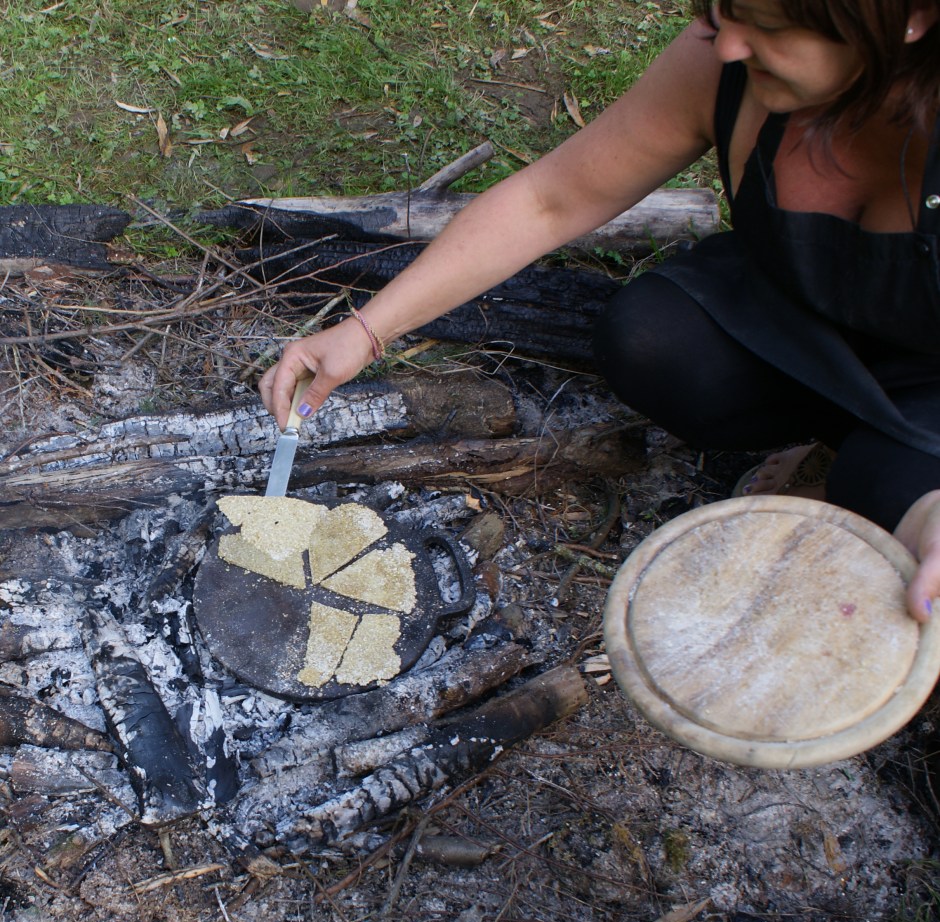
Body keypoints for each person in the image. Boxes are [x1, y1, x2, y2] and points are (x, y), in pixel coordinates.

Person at [260, 0, 940, 623]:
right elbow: (550, 199)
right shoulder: (721, 63)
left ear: (908, 16)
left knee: (887, 496)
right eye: (723, 7)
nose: (730, 43)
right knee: (650, 339)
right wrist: (365, 329)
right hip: (798, 318)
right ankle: (831, 438)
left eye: (768, 24)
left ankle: (861, 468)